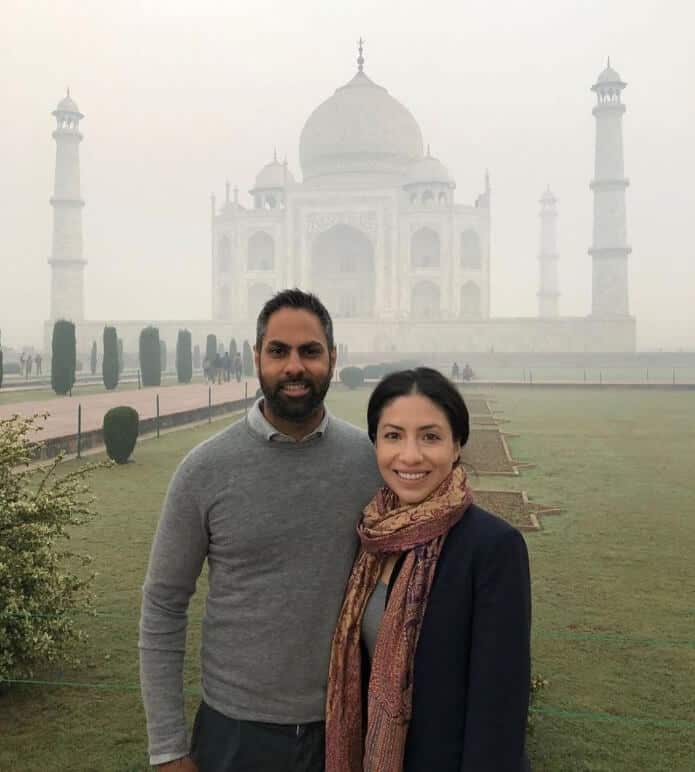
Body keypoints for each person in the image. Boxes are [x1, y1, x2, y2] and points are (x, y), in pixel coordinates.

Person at [139, 289, 383, 771]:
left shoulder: (369, 464)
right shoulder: (205, 469)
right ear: (257, 358)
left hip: (343, 726)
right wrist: (168, 747)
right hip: (235, 730)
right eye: (278, 351)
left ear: (332, 359)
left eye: (310, 351)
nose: (294, 366)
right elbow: (163, 603)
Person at [325, 367, 531, 772]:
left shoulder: (492, 548)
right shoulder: (372, 538)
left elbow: (498, 711)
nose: (410, 455)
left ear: (457, 446)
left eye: (430, 436)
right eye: (393, 435)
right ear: (375, 444)